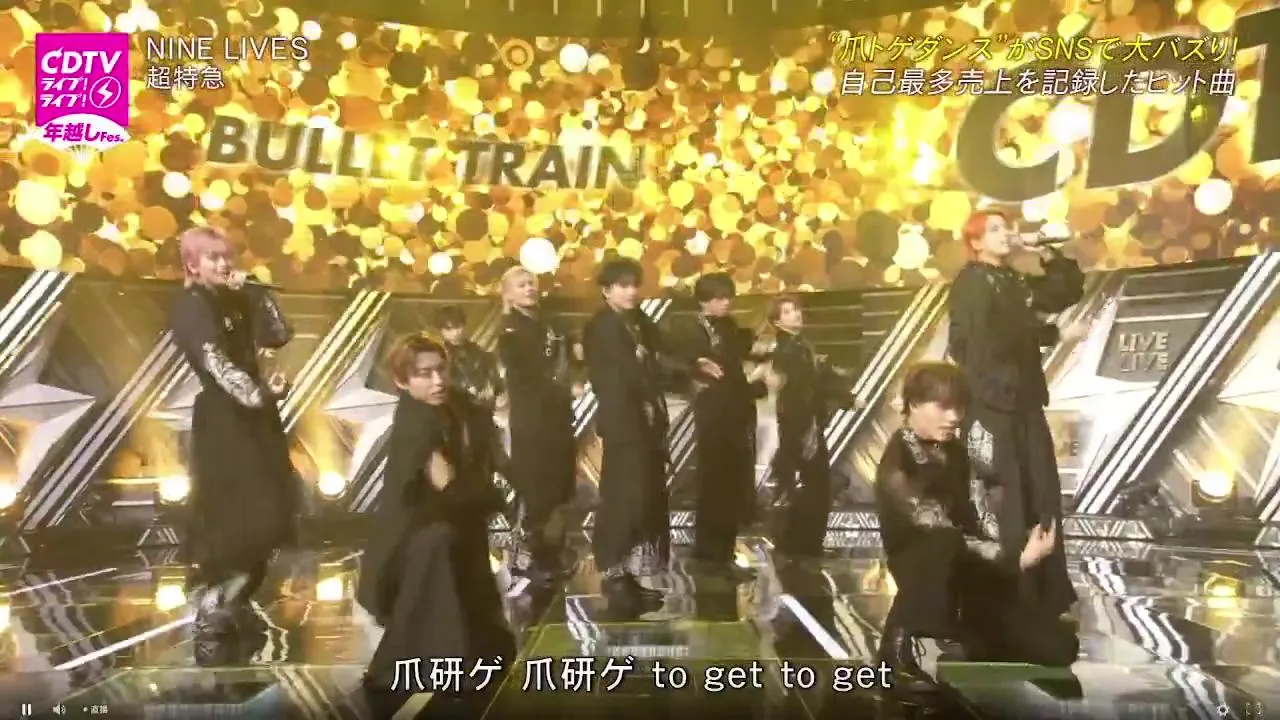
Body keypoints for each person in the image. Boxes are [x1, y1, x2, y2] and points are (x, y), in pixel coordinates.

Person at [874, 362, 1077, 695]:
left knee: (1058, 649)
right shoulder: (899, 465)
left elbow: (979, 512)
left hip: (971, 565)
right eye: (943, 406)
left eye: (959, 407)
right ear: (913, 404)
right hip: (927, 565)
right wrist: (1014, 559)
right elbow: (939, 528)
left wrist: (1011, 552)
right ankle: (895, 651)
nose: (954, 417)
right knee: (942, 543)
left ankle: (979, 634)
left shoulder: (954, 451)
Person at [356, 333, 514, 709]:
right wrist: (493, 499)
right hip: (417, 535)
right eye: (424, 374)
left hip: (454, 523)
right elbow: (449, 488)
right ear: (402, 381)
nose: (437, 380)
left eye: (441, 370)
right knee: (441, 542)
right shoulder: (418, 421)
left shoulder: (456, 407)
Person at [948, 209, 1084, 619]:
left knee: (1040, 492)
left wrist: (1048, 254)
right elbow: (990, 336)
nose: (1005, 234)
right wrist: (1053, 334)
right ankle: (1005, 587)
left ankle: (1042, 591)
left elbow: (1062, 292)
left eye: (1005, 227)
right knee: (1001, 495)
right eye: (994, 229)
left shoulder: (1010, 279)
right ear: (975, 242)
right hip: (990, 402)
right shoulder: (972, 282)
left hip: (1022, 401)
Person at [168, 226, 297, 632]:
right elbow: (214, 361)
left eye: (227, 256)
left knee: (276, 505)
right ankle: (214, 600)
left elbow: (279, 334)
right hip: (225, 416)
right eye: (213, 257)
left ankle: (238, 598)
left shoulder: (237, 297)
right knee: (240, 513)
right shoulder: (191, 306)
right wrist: (258, 394)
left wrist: (258, 293)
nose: (224, 264)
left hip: (258, 414)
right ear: (193, 265)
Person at [583, 258, 679, 617]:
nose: (631, 292)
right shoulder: (601, 327)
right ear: (606, 290)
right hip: (625, 423)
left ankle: (629, 575)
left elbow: (663, 353)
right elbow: (616, 379)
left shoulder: (637, 321)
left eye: (634, 285)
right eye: (623, 285)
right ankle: (613, 573)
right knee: (624, 498)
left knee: (646, 499)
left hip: (646, 421)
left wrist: (691, 366)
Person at [674, 272, 765, 576]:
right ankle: (708, 552)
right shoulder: (688, 327)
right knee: (713, 482)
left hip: (735, 413)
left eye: (728, 297)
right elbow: (677, 361)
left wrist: (750, 390)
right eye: (719, 298)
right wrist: (695, 365)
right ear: (703, 300)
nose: (726, 303)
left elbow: (736, 367)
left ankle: (724, 552)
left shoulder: (730, 328)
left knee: (732, 484)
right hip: (712, 413)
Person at [496, 266, 578, 585]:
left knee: (561, 489)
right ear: (508, 294)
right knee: (538, 491)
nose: (530, 288)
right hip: (533, 421)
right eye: (521, 285)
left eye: (532, 283)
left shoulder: (550, 324)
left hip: (558, 417)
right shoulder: (510, 331)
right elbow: (526, 377)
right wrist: (556, 383)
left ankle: (553, 554)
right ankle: (534, 558)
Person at [764, 295, 857, 558]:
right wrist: (843, 400)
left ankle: (805, 543)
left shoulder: (800, 345)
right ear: (776, 321)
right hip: (800, 423)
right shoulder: (788, 350)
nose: (796, 314)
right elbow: (805, 386)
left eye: (796, 309)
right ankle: (802, 544)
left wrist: (845, 398)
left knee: (813, 484)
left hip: (805, 421)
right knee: (811, 484)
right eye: (787, 311)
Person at [434, 304, 503, 413]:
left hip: (482, 408)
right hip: (452, 409)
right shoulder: (439, 355)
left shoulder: (481, 353)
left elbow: (497, 382)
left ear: (464, 325)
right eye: (449, 329)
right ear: (441, 331)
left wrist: (491, 390)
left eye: (458, 326)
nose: (455, 332)